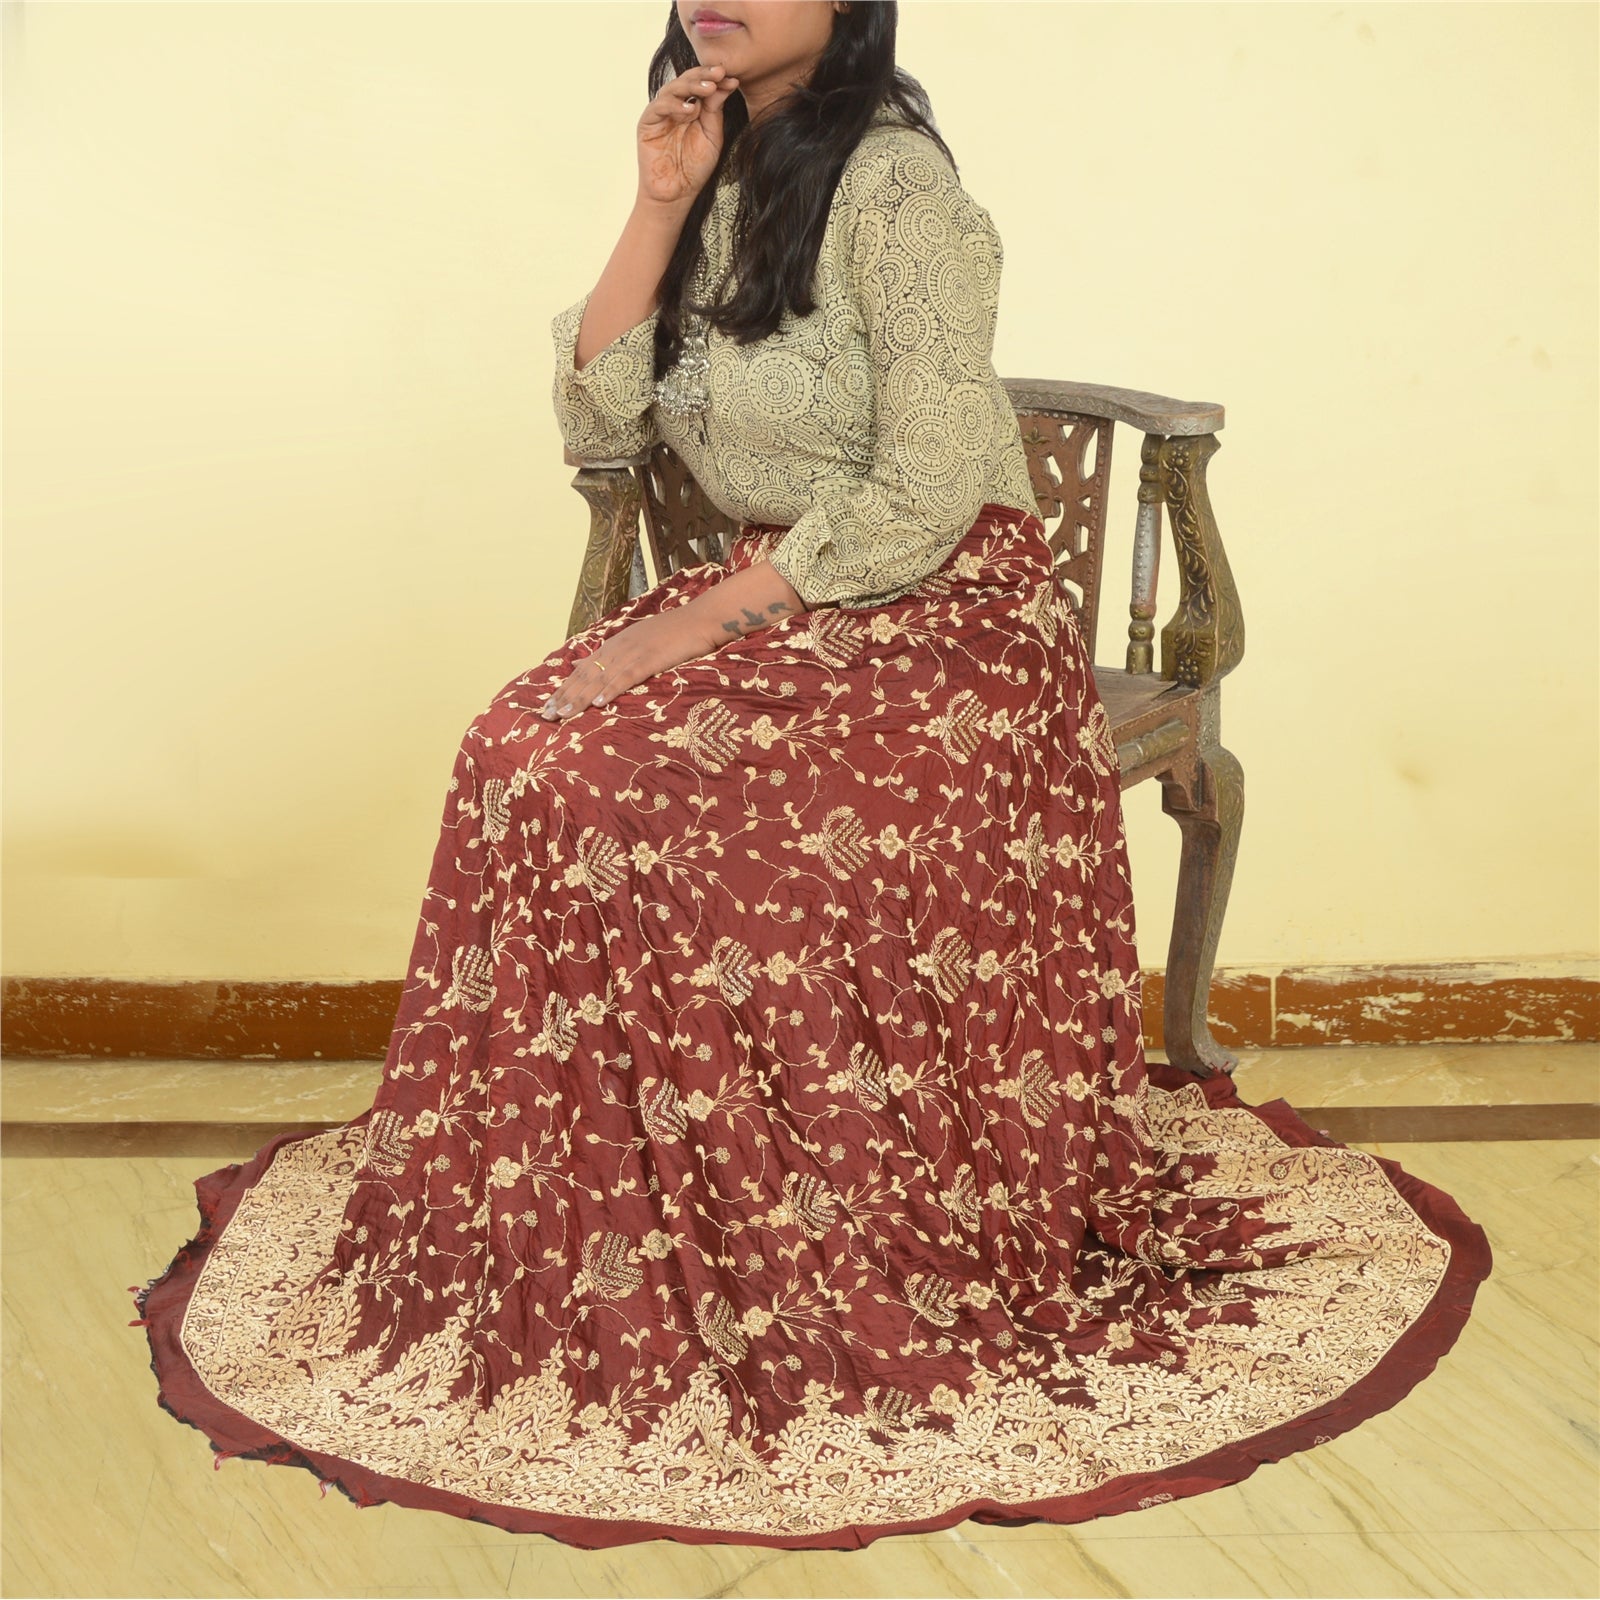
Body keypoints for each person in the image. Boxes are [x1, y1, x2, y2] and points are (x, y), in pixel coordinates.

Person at [131, 0, 1492, 1552]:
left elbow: (930, 484)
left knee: (671, 806)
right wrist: (654, 205)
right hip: (782, 600)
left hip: (947, 610)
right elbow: (595, 412)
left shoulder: (902, 192)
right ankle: (606, 1208)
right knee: (519, 751)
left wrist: (694, 624)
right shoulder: (711, 159)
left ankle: (803, 1229)